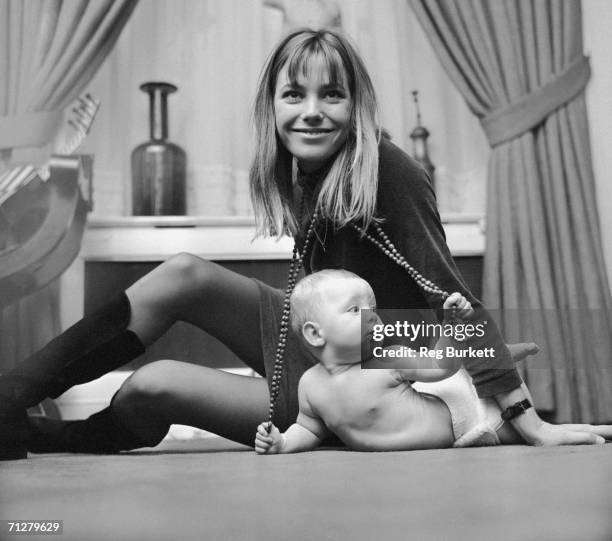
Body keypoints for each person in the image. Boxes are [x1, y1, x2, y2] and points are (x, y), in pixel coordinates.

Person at [0, 28, 604, 461]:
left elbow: (454, 304)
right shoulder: (303, 171)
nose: (312, 113)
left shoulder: (388, 173)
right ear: (273, 108)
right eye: (295, 96)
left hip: (360, 383)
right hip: (320, 344)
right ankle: (11, 396)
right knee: (184, 271)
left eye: (331, 96)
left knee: (153, 385)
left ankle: (42, 437)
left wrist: (529, 422)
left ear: (356, 106)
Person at [255, 270, 611, 454]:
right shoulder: (310, 385)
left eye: (374, 309)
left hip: (469, 418)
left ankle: (597, 428)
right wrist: (283, 443)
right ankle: (508, 356)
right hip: (452, 420)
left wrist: (452, 327)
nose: (373, 318)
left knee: (533, 432)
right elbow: (310, 428)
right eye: (355, 310)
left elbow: (440, 364)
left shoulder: (387, 358)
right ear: (316, 335)